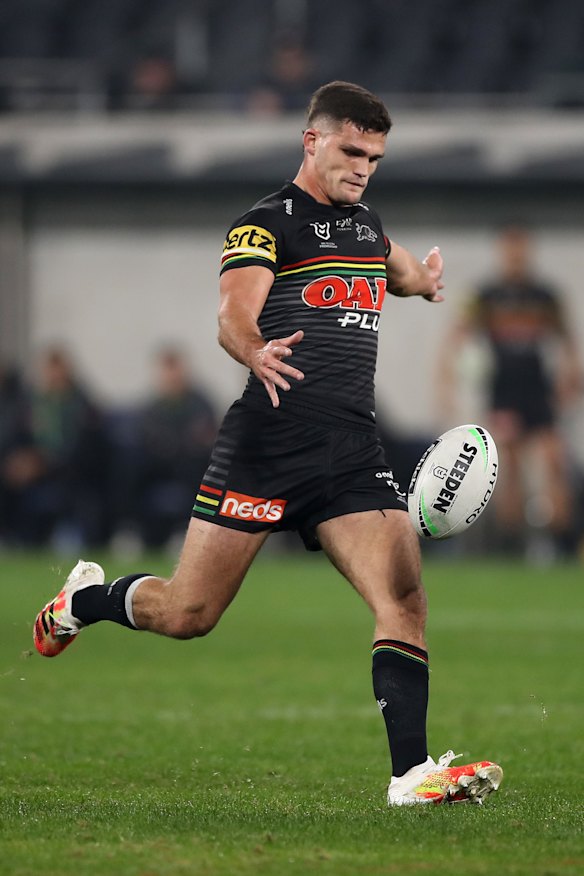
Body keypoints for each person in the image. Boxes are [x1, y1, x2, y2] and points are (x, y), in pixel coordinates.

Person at [33, 81, 502, 806]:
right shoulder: (265, 225)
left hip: (349, 451)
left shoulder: (367, 227)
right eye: (352, 151)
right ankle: (84, 601)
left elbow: (400, 269)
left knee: (405, 598)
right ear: (312, 141)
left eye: (375, 157)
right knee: (190, 614)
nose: (363, 168)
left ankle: (410, 776)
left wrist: (425, 281)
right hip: (267, 445)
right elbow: (232, 314)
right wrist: (253, 351)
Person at [438, 225, 581, 558]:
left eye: (521, 247)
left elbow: (567, 341)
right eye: (510, 247)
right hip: (504, 393)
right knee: (511, 467)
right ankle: (514, 544)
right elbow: (455, 338)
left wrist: (571, 378)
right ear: (502, 250)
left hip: (538, 392)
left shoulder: (544, 295)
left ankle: (561, 543)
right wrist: (446, 383)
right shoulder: (486, 295)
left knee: (553, 461)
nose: (516, 254)